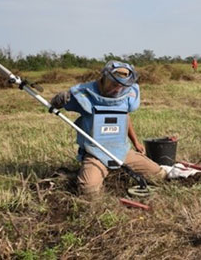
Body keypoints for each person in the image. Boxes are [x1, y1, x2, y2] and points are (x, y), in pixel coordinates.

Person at [50, 60, 166, 197]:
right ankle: (77, 175)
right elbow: (55, 106)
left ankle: (118, 171)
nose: (117, 89)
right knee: (88, 190)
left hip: (121, 150)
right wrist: (57, 101)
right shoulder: (85, 94)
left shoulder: (127, 96)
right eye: (113, 84)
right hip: (95, 153)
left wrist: (135, 142)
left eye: (122, 86)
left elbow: (125, 118)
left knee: (159, 175)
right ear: (104, 77)